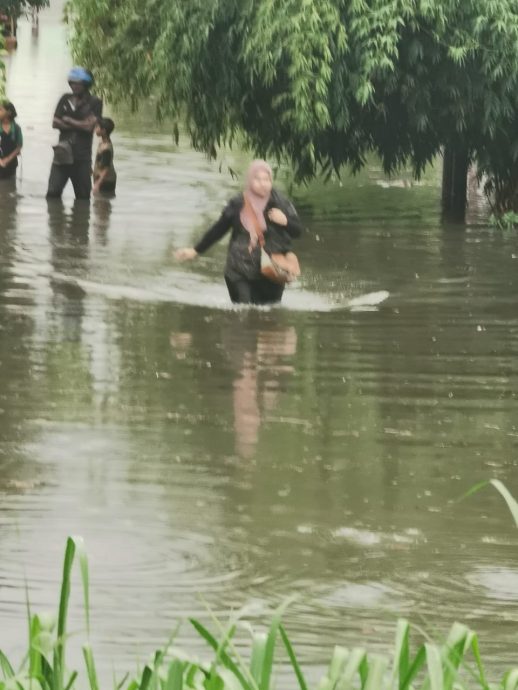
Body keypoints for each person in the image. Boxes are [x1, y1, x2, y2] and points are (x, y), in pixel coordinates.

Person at [175, 160, 303, 305]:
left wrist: (285, 221)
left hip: (272, 271)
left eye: (266, 179)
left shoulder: (282, 203)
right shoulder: (238, 203)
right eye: (257, 179)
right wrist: (195, 250)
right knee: (243, 313)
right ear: (249, 181)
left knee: (270, 316)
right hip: (239, 270)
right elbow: (219, 229)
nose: (262, 183)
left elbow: (297, 231)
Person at [46, 66, 102, 200]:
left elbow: (90, 128)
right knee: (52, 193)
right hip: (62, 153)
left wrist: (69, 120)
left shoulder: (95, 102)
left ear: (87, 84)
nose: (75, 86)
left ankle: (80, 221)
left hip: (82, 157)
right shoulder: (65, 99)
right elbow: (55, 123)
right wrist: (81, 123)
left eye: (79, 83)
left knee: (83, 197)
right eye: (72, 83)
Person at [92, 117, 117, 195]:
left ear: (103, 131)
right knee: (99, 203)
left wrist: (97, 184)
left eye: (97, 127)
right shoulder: (102, 142)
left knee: (102, 204)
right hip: (102, 179)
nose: (95, 129)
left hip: (106, 181)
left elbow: (106, 169)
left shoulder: (106, 148)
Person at [0, 100, 23, 180]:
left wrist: (7, 159)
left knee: (10, 186)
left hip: (11, 164)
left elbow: (19, 146)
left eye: (0, 110)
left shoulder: (16, 128)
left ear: (8, 112)